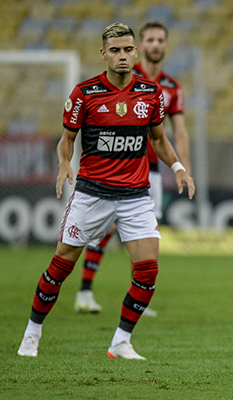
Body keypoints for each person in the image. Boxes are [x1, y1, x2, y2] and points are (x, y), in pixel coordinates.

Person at [17, 22, 195, 360]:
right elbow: (67, 139)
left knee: (148, 271)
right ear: (104, 54)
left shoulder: (151, 93)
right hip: (91, 195)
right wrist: (64, 164)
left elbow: (158, 139)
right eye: (115, 50)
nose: (123, 56)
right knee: (60, 266)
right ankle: (32, 332)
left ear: (136, 52)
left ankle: (121, 342)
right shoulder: (84, 93)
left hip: (136, 197)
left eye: (128, 49)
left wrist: (178, 168)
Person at [74, 21, 191, 317]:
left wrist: (182, 167)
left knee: (144, 232)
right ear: (141, 46)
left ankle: (136, 295)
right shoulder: (125, 76)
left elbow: (178, 132)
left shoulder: (171, 88)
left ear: (165, 46)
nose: (155, 45)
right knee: (109, 227)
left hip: (150, 169)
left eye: (160, 40)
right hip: (119, 167)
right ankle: (85, 291)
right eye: (150, 39)